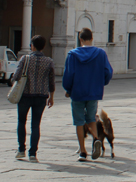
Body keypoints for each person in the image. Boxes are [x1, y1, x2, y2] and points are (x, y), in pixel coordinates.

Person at [62, 28, 113, 162]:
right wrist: (102, 83)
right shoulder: (101, 54)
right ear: (92, 38)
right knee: (91, 119)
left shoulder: (72, 55)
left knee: (79, 121)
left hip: (77, 92)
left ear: (80, 40)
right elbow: (108, 72)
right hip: (93, 92)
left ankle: (82, 152)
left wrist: (68, 89)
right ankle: (95, 140)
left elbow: (68, 75)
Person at [12, 35, 55, 162]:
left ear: (32, 45)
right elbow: (51, 82)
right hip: (41, 96)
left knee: (21, 122)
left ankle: (21, 150)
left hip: (25, 95)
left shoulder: (25, 59)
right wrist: (51, 97)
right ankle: (33, 153)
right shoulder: (49, 61)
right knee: (35, 125)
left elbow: (16, 76)